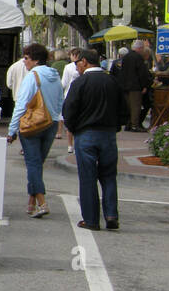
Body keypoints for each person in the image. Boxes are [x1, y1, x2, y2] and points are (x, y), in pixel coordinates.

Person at [63, 47, 124, 231]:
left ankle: (91, 219)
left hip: (86, 134)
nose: (76, 67)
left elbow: (69, 110)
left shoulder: (81, 83)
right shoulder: (112, 81)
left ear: (84, 62)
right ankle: (111, 214)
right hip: (108, 134)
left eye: (77, 64)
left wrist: (73, 129)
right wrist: (116, 126)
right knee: (108, 176)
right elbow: (124, 109)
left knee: (88, 178)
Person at [6, 43, 63, 218]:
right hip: (51, 123)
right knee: (37, 164)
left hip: (33, 124)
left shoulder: (32, 76)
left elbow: (21, 105)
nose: (24, 62)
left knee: (33, 164)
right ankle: (31, 202)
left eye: (27, 58)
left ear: (35, 60)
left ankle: (42, 201)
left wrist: (12, 129)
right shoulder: (55, 76)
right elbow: (61, 101)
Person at [111, 39, 152, 131]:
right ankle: (135, 125)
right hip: (135, 86)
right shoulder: (138, 58)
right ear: (140, 48)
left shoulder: (126, 57)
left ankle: (129, 124)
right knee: (136, 106)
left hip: (125, 86)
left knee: (129, 106)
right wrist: (144, 85)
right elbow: (142, 73)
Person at [59, 47, 81, 153]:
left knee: (69, 121)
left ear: (73, 56)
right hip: (81, 97)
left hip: (69, 95)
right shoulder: (84, 66)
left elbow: (63, 83)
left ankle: (70, 145)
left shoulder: (68, 67)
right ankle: (77, 144)